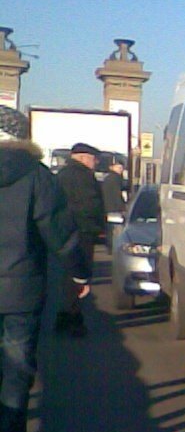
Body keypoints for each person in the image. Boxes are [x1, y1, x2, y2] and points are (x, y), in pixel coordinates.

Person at [0, 107, 91, 432]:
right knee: (16, 372)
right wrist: (79, 272)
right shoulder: (37, 177)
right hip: (21, 289)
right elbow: (60, 231)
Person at [54, 141, 105, 336]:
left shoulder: (61, 175)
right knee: (79, 276)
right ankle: (72, 320)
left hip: (65, 233)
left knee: (68, 276)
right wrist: (97, 228)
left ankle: (64, 317)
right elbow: (90, 207)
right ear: (84, 158)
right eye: (94, 159)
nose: (96, 163)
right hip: (82, 233)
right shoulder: (84, 177)